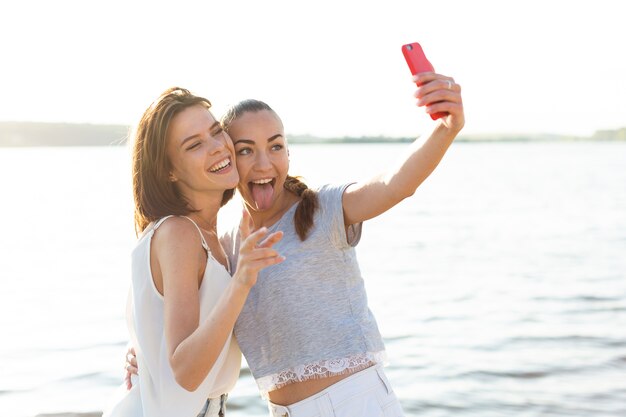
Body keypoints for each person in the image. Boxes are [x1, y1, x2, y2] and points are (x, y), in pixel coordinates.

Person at [127, 71, 464, 416]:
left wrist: (445, 128)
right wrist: (145, 353)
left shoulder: (323, 209)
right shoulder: (228, 249)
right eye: (246, 150)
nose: (263, 163)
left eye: (275, 146)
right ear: (232, 156)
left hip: (354, 403)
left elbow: (395, 184)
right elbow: (195, 323)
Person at [103, 87, 284, 417]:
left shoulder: (211, 236)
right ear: (169, 170)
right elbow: (184, 372)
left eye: (216, 132)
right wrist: (241, 282)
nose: (218, 147)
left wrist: (144, 352)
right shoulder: (180, 233)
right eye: (194, 145)